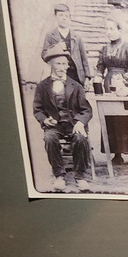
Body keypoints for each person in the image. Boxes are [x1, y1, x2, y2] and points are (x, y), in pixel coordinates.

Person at [33, 51, 92, 190]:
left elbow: (86, 110)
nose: (62, 67)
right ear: (50, 64)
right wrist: (45, 120)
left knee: (80, 138)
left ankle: (80, 177)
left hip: (73, 123)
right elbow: (37, 109)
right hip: (55, 125)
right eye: (58, 64)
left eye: (64, 64)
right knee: (49, 138)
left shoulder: (76, 86)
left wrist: (80, 122)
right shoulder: (42, 86)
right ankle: (59, 175)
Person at [95, 17, 128, 164]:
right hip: (109, 84)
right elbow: (100, 66)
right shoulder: (104, 49)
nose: (108, 32)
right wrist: (98, 76)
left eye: (111, 29)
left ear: (119, 30)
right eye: (106, 29)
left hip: (125, 83)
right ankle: (117, 153)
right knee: (112, 118)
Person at [41, 3, 91, 88]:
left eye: (66, 16)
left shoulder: (76, 37)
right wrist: (56, 47)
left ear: (70, 18)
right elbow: (44, 54)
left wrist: (87, 77)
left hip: (76, 75)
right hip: (58, 74)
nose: (64, 18)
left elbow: (84, 58)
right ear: (56, 17)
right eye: (60, 15)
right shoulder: (50, 35)